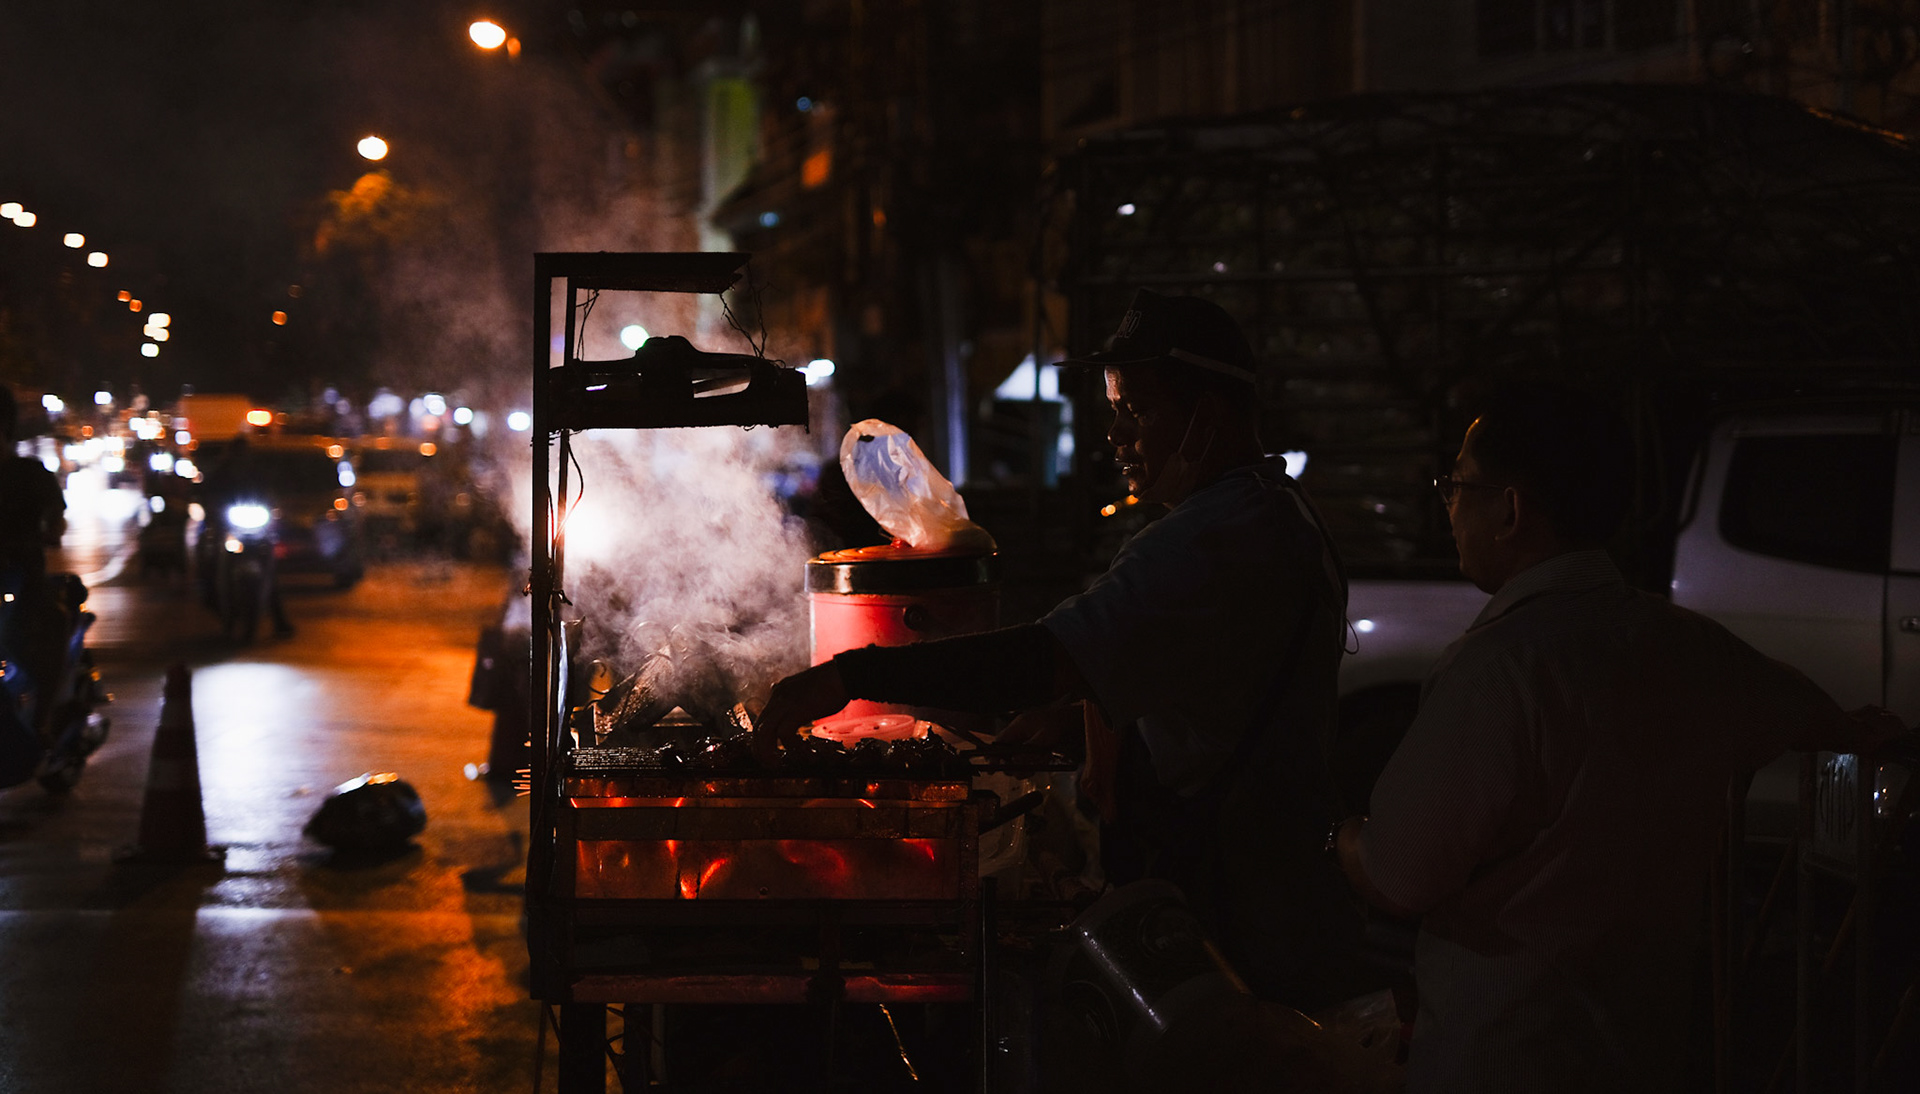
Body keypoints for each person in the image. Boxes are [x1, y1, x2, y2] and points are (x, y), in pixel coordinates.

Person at [757, 289, 1366, 1009]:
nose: (1116, 434)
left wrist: (849, 677)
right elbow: (1182, 662)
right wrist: (1072, 712)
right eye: (1114, 409)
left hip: (1241, 905)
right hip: (1271, 881)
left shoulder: (1216, 537)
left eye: (1136, 410)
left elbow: (1041, 657)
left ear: (1207, 414)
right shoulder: (1274, 507)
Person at [1331, 383, 1910, 1091]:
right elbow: (1798, 707)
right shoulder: (1687, 645)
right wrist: (1855, 729)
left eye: (1457, 485)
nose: (1447, 504)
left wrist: (1341, 838)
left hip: (1503, 1052)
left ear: (1511, 510)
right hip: (1638, 1049)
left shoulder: (1499, 669)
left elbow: (1401, 871)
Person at [0, 383, 70, 722]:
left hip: (21, 575)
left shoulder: (30, 474)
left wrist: (49, 534)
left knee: (51, 629)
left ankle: (44, 718)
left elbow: (56, 517)